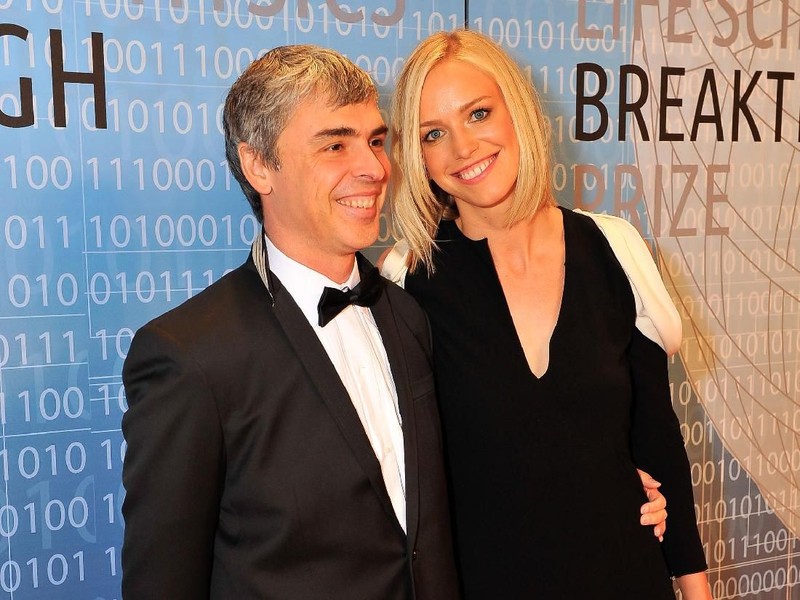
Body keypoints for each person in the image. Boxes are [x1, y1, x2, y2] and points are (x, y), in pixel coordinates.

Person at [120, 44, 461, 599]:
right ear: (259, 166)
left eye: (376, 141)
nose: (375, 169)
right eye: (335, 144)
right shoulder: (189, 356)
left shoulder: (406, 315)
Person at [385, 29, 711, 599]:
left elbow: (658, 441)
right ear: (418, 156)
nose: (463, 147)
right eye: (434, 133)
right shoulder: (407, 281)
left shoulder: (615, 248)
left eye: (479, 113)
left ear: (519, 111)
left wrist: (697, 589)